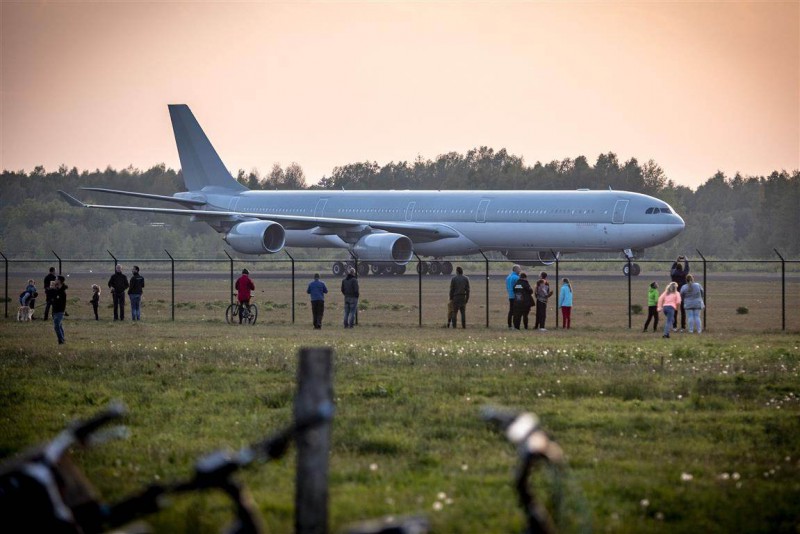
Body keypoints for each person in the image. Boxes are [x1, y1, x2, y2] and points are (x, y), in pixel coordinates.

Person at [670, 256, 690, 332]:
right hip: (682, 293)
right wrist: (686, 261)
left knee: (675, 310)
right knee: (682, 310)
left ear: (676, 268)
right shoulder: (684, 274)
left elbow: (672, 269)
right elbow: (687, 269)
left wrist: (676, 261)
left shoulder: (673, 274)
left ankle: (674, 326)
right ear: (681, 268)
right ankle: (683, 327)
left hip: (674, 293)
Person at [47, 276, 68, 344]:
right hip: (54, 310)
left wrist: (54, 299)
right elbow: (51, 296)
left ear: (59, 281)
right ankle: (62, 339)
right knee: (59, 326)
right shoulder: (56, 289)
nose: (55, 280)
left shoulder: (62, 291)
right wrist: (51, 290)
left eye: (56, 279)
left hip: (60, 311)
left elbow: (60, 301)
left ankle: (61, 341)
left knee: (56, 327)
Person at [505, 265, 521, 329]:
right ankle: (515, 325)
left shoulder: (508, 277)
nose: (520, 270)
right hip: (516, 296)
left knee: (511, 310)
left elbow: (507, 286)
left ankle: (509, 325)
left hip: (510, 295)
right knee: (516, 311)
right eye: (519, 269)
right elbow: (518, 287)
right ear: (516, 270)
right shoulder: (517, 277)